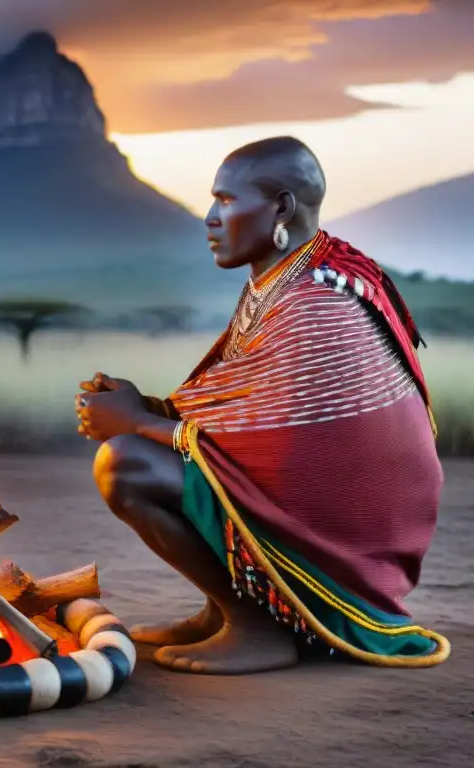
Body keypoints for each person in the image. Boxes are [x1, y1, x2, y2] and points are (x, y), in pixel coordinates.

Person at [75, 136, 450, 674]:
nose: (208, 218)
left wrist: (136, 421)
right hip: (323, 506)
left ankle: (257, 629)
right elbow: (250, 411)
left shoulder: (314, 304)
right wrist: (147, 408)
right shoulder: (292, 274)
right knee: (137, 449)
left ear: (280, 208)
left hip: (347, 544)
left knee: (125, 464)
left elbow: (273, 447)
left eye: (226, 201)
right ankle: (226, 610)